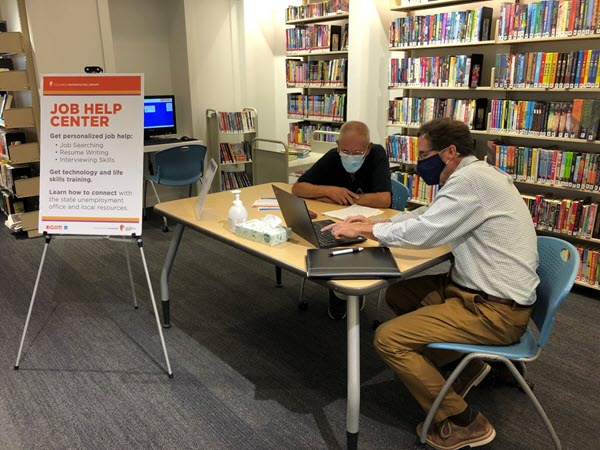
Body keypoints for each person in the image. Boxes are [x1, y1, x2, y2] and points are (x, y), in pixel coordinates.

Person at [322, 118, 539, 450]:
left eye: (424, 155)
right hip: (477, 292)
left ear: (450, 152)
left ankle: (463, 422)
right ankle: (463, 368)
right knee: (399, 292)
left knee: (388, 339)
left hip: (495, 311)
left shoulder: (470, 181)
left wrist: (365, 231)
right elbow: (428, 216)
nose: (419, 162)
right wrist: (374, 221)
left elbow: (424, 233)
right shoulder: (473, 174)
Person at [292, 120, 391, 320]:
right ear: (338, 146)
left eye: (357, 153)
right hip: (337, 221)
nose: (350, 156)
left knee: (352, 244)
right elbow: (298, 188)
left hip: (370, 223)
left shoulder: (378, 155)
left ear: (367, 148)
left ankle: (349, 292)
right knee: (327, 240)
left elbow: (384, 199)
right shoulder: (332, 157)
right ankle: (338, 290)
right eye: (345, 151)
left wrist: (342, 199)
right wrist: (329, 190)